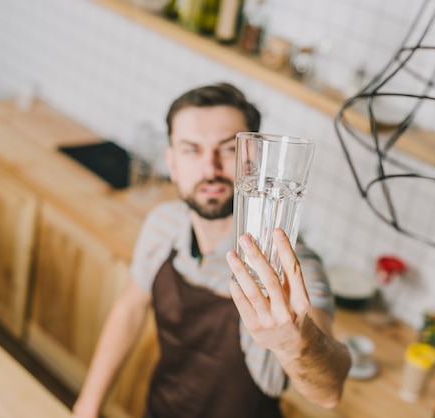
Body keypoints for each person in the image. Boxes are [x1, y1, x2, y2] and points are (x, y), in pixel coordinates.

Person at [72, 82, 351, 418]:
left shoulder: (290, 265)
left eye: (229, 149)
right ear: (171, 162)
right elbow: (131, 307)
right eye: (192, 150)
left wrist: (296, 344)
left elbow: (329, 392)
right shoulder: (163, 226)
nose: (211, 169)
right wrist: (87, 406)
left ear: (256, 162)